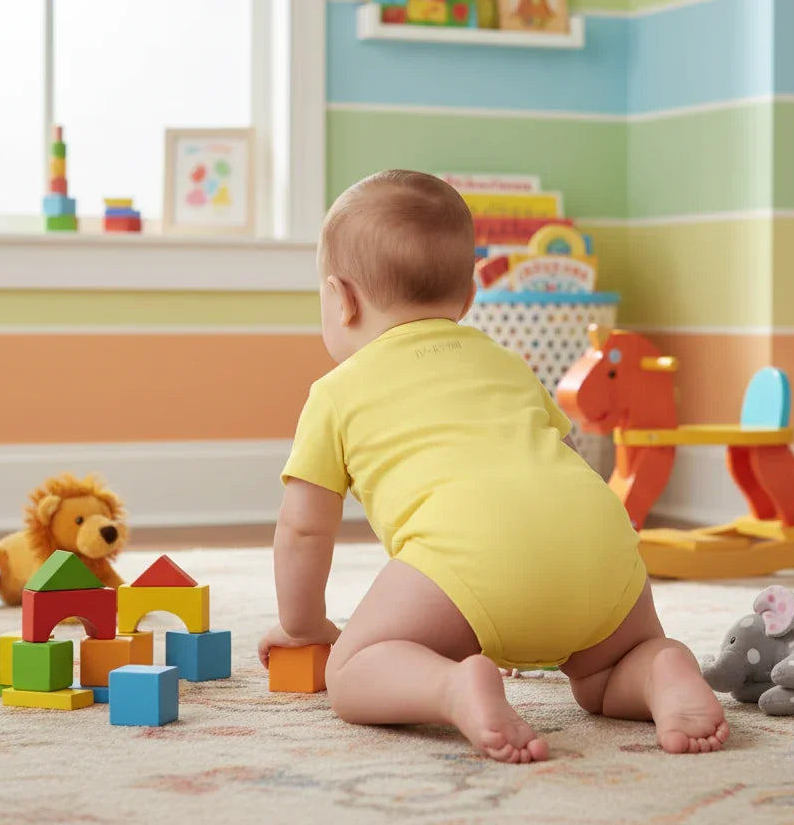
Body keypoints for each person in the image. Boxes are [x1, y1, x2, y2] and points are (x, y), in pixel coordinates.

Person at [258, 170, 728, 763]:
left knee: (354, 672)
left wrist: (303, 628)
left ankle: (452, 685)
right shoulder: (508, 364)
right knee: (605, 675)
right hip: (600, 542)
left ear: (341, 299)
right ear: (470, 297)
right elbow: (555, 459)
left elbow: (303, 529)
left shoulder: (335, 392)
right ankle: (661, 668)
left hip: (471, 561)